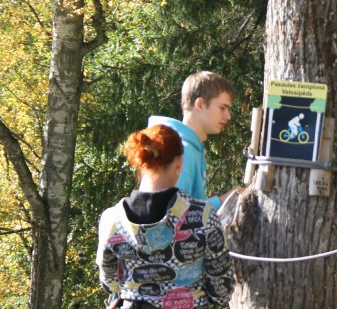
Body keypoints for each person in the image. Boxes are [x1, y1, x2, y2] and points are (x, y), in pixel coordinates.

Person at [96, 124, 234, 309]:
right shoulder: (203, 216)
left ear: (142, 161)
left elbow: (110, 283)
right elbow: (221, 290)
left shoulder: (112, 219)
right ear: (179, 162)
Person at [147, 71, 239, 210]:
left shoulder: (188, 147)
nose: (228, 116)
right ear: (200, 104)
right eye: (222, 108)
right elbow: (171, 214)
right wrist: (223, 201)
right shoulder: (182, 151)